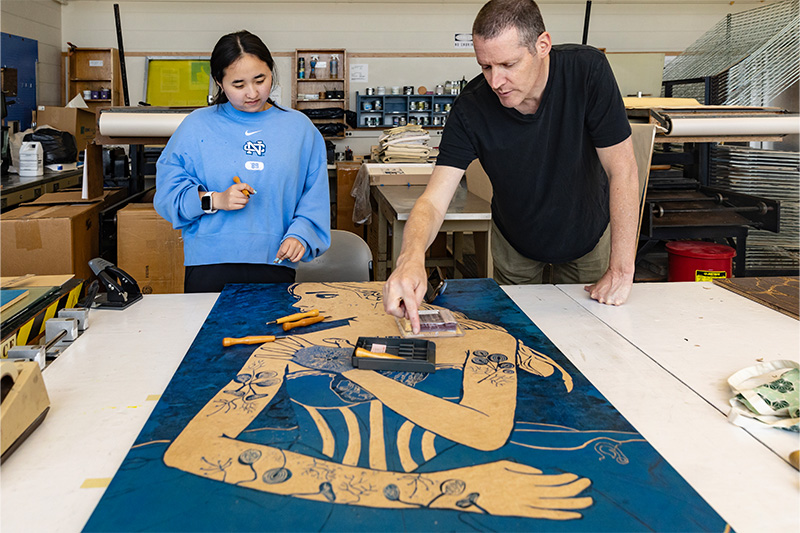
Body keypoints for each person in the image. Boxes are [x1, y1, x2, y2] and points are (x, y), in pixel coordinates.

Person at [164, 282, 602, 520]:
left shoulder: (485, 338)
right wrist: (447, 491)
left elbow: (486, 433)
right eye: (304, 297)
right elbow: (193, 448)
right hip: (309, 498)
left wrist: (361, 372)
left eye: (322, 294)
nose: (307, 299)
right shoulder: (279, 350)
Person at [383, 0, 639, 333]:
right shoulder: (471, 108)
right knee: (519, 336)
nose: (495, 81)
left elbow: (623, 170)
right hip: (516, 241)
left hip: (587, 234)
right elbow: (433, 200)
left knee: (590, 336)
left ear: (542, 45)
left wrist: (620, 270)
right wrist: (411, 259)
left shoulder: (587, 72)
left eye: (508, 64)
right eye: (486, 67)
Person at [155, 30, 330, 293]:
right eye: (238, 85)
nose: (252, 93)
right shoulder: (197, 126)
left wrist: (300, 235)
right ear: (219, 81)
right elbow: (167, 194)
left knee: (270, 333)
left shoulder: (299, 129)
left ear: (272, 71)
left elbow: (313, 196)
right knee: (210, 334)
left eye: (260, 80)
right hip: (209, 263)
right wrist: (215, 199)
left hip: (275, 260)